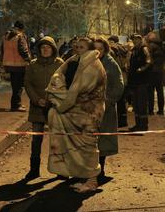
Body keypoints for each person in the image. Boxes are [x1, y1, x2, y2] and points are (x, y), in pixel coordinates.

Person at [46, 37, 106, 193]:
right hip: (79, 112)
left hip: (88, 114)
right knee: (79, 147)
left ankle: (92, 181)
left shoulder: (92, 66)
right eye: (76, 46)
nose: (78, 49)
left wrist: (61, 106)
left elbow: (75, 92)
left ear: (90, 49)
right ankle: (84, 178)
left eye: (82, 47)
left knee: (87, 146)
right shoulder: (76, 61)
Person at [23, 36, 64, 181]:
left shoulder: (60, 64)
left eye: (48, 47)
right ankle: (34, 169)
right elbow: (28, 84)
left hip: (55, 107)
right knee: (36, 140)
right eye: (42, 47)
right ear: (39, 50)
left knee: (57, 139)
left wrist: (56, 100)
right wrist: (36, 100)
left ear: (53, 49)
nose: (45, 50)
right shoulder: (32, 65)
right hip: (37, 107)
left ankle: (61, 170)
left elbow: (64, 84)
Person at [93, 37, 124, 180]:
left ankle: (100, 170)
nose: (97, 51)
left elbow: (119, 85)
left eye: (100, 48)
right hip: (89, 107)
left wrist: (109, 100)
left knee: (102, 139)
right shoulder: (88, 62)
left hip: (105, 108)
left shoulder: (111, 64)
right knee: (90, 139)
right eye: (95, 48)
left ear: (105, 49)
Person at [0, 21, 31, 111]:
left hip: (9, 64)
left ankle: (16, 104)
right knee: (18, 86)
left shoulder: (5, 36)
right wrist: (29, 59)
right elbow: (23, 50)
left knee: (14, 86)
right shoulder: (20, 36)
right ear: (22, 28)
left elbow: (2, 49)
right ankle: (16, 105)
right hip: (19, 65)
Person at [128, 34, 152, 132]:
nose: (134, 41)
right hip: (134, 81)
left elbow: (148, 61)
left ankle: (143, 125)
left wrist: (141, 69)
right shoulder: (133, 51)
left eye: (136, 39)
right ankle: (138, 124)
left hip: (142, 80)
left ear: (140, 39)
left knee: (142, 103)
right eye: (133, 39)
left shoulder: (144, 49)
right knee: (136, 104)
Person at [108, 35, 129, 127]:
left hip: (117, 77)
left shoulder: (113, 50)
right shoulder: (123, 49)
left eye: (110, 41)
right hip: (124, 77)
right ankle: (123, 120)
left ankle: (119, 121)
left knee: (116, 99)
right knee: (122, 100)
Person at [146, 32, 165, 115]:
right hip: (160, 71)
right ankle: (161, 110)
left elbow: (148, 60)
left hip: (152, 72)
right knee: (160, 91)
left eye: (148, 36)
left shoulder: (150, 46)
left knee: (150, 92)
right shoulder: (161, 46)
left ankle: (150, 111)